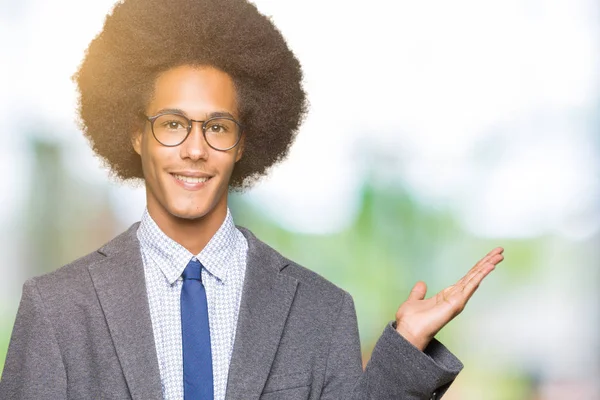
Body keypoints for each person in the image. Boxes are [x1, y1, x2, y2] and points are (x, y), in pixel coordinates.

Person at [0, 0, 504, 399]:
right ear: (137, 135)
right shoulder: (57, 309)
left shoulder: (319, 311)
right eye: (173, 124)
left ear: (243, 142)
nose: (195, 149)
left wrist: (406, 347)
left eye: (217, 127)